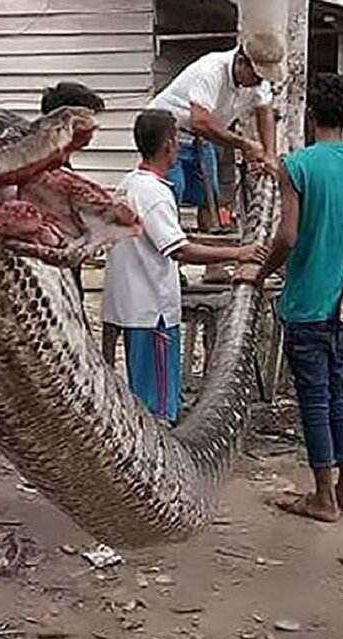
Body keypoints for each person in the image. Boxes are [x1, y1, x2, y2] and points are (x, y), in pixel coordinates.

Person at [236, 74, 343, 522]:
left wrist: (262, 270)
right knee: (338, 395)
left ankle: (323, 496)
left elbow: (287, 234)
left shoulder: (298, 165)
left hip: (307, 302)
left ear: (309, 116)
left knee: (315, 399)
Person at [103, 109, 265, 424]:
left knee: (143, 394)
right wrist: (238, 252)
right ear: (169, 145)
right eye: (177, 141)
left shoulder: (128, 184)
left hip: (130, 305)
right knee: (159, 407)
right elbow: (180, 250)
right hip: (153, 310)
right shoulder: (154, 194)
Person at [149, 42, 281, 232]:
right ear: (241, 62)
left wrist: (269, 154)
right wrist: (244, 144)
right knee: (170, 192)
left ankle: (213, 252)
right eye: (257, 77)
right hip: (166, 134)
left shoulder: (258, 81)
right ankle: (168, 248)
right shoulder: (211, 70)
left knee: (209, 197)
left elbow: (265, 112)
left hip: (200, 138)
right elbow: (200, 121)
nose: (259, 83)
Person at [40, 81, 106, 305]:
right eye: (89, 118)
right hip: (52, 278)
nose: (95, 126)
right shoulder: (43, 167)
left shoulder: (60, 162)